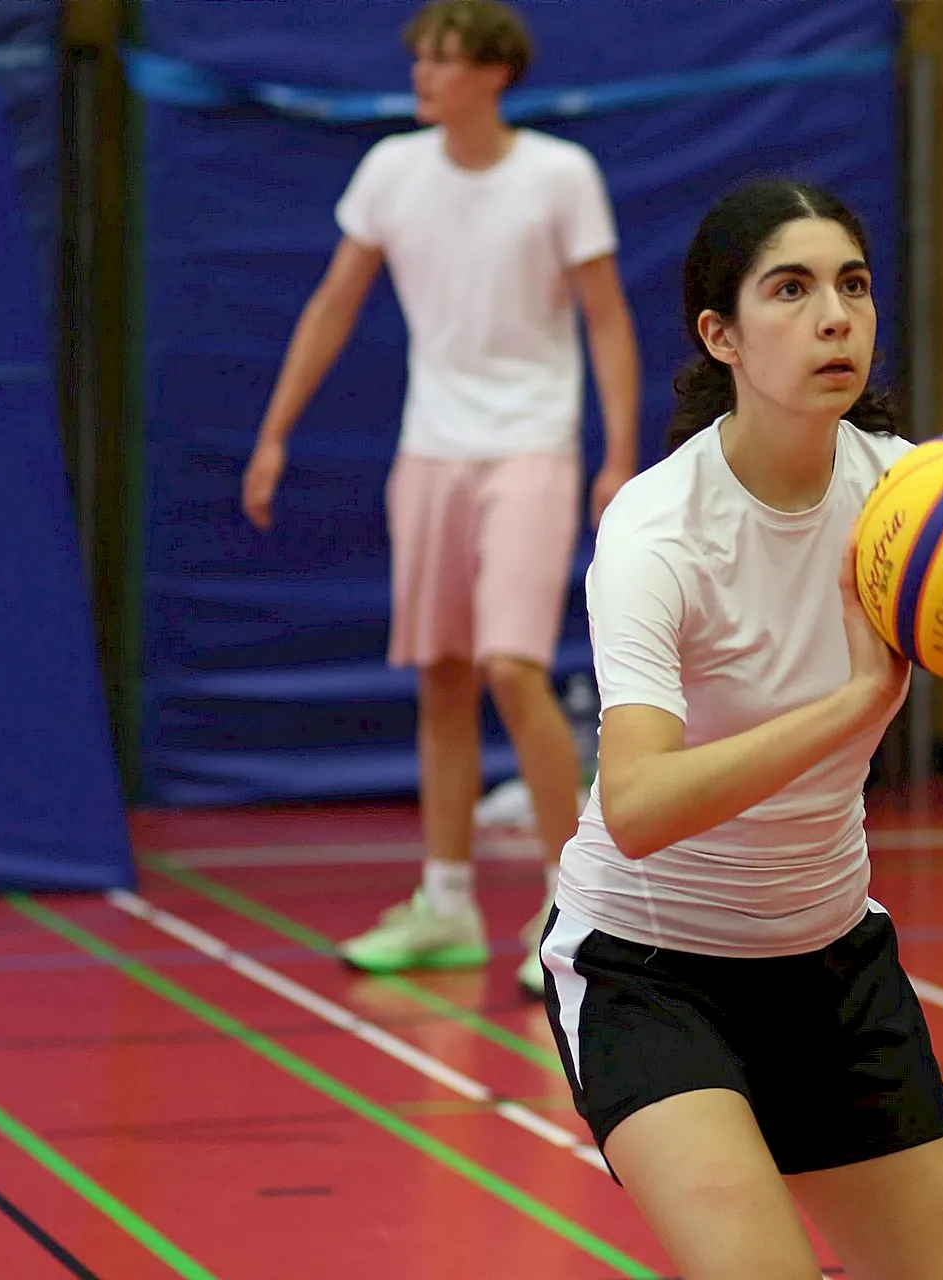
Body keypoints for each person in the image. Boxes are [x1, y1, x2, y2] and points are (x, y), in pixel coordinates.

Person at [538, 179, 943, 1280]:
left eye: (853, 285)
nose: (834, 316)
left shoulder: (917, 503)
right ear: (722, 336)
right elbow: (638, 806)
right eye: (790, 290)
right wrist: (850, 705)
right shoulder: (658, 530)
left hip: (830, 961)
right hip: (651, 971)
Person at [239, 0, 642, 997]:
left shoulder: (560, 174)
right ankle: (448, 900)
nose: (422, 73)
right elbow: (334, 301)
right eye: (419, 56)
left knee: (512, 666)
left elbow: (605, 318)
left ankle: (574, 903)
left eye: (445, 58)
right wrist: (275, 430)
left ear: (495, 73)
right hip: (430, 451)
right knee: (444, 676)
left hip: (532, 448)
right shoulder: (390, 171)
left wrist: (619, 452)